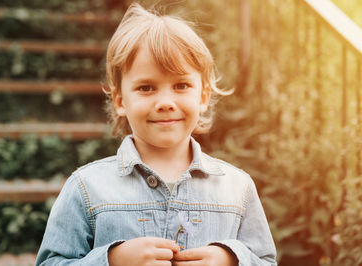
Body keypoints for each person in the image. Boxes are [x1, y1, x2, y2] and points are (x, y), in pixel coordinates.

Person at [36, 2, 277, 266]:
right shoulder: (85, 188)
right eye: (147, 88)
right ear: (119, 100)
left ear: (203, 96)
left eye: (181, 85)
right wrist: (112, 260)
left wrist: (231, 260)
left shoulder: (237, 189)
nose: (165, 102)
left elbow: (265, 260)